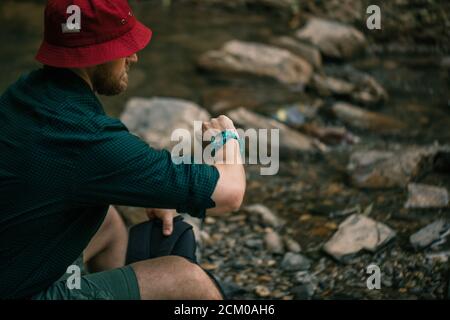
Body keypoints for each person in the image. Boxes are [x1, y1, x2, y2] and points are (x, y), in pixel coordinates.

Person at [0, 0, 246, 300]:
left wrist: (151, 188)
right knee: (188, 280)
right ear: (92, 56)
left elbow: (72, 169)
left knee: (109, 223)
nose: (133, 56)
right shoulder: (86, 135)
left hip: (15, 261)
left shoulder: (27, 92)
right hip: (26, 291)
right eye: (122, 45)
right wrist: (228, 141)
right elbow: (230, 194)